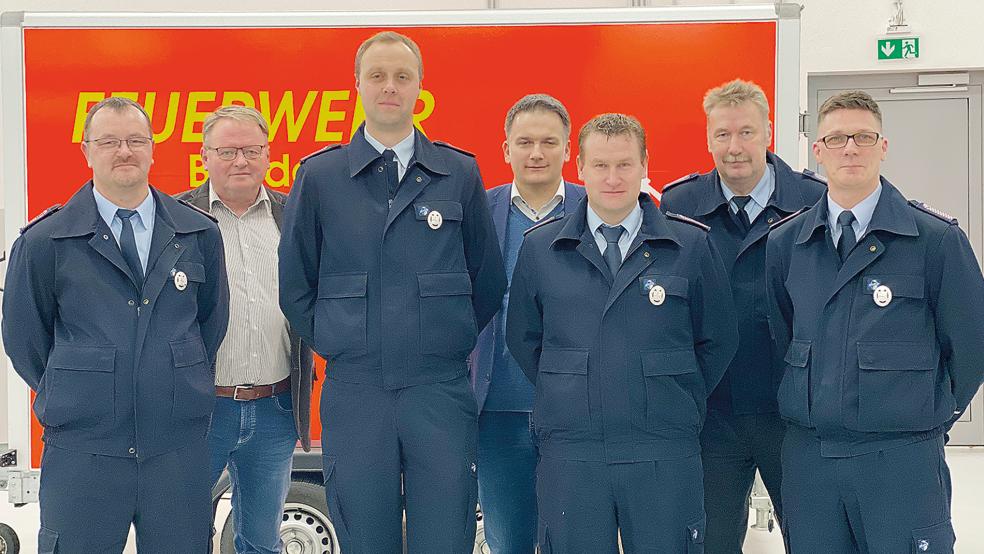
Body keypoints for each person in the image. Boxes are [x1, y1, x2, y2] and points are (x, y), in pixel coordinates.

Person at [277, 31, 506, 553]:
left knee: (446, 533)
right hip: (357, 393)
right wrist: (343, 342)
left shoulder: (458, 172)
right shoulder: (320, 176)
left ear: (419, 87)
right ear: (357, 85)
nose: (389, 87)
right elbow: (295, 286)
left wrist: (447, 339)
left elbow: (486, 280)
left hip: (440, 390)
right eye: (377, 75)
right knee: (364, 536)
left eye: (402, 76)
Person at [2, 96, 229, 553]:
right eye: (109, 142)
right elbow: (25, 339)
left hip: (175, 450)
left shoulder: (198, 233)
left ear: (152, 149)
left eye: (135, 140)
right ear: (86, 151)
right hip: (83, 451)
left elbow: (211, 324)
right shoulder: (46, 241)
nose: (123, 151)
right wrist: (82, 388)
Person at [506, 113, 738, 553]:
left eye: (625, 164)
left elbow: (718, 339)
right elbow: (524, 339)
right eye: (600, 165)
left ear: (645, 164)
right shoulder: (541, 249)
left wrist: (671, 394)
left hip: (664, 449)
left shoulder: (689, 246)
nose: (613, 178)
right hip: (573, 451)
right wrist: (572, 390)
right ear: (579, 167)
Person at [766, 90, 984, 553]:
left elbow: (971, 345)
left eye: (864, 137)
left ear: (883, 147)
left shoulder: (934, 240)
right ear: (817, 150)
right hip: (812, 460)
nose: (851, 148)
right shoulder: (787, 243)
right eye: (838, 138)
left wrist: (928, 417)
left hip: (900, 459)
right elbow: (782, 336)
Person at [659, 79, 825, 552]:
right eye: (722, 135)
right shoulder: (679, 204)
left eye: (747, 133)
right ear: (708, 138)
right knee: (708, 541)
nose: (735, 148)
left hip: (792, 411)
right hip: (713, 414)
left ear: (769, 132)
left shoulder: (814, 201)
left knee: (815, 536)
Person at [175, 105, 315, 554]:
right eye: (228, 151)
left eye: (252, 150)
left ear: (268, 154)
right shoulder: (174, 217)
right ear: (204, 156)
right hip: (199, 410)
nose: (241, 161)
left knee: (261, 541)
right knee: (183, 535)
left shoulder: (292, 214)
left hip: (275, 409)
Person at [469, 93, 585, 554]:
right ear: (506, 149)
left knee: (577, 538)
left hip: (577, 411)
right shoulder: (480, 210)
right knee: (508, 541)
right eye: (525, 142)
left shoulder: (595, 207)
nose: (536, 152)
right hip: (498, 413)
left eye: (548, 142)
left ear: (567, 149)